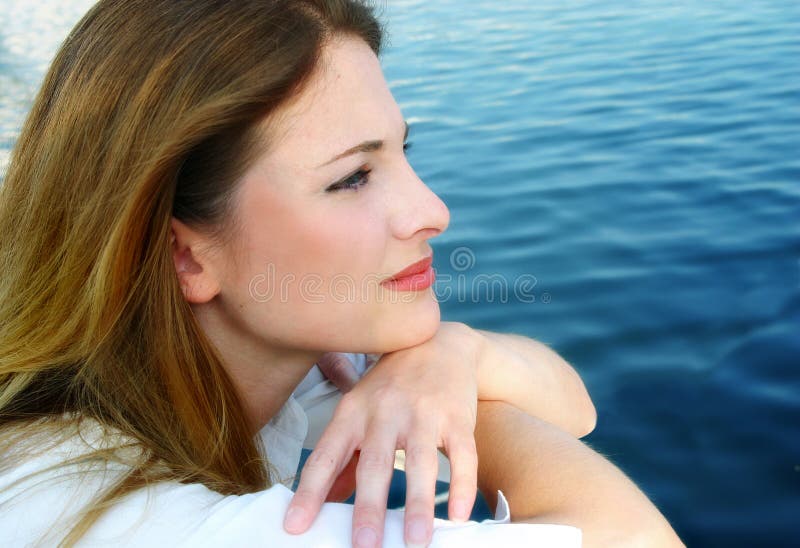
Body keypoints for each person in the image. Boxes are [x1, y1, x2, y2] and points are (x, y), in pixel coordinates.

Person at [0, 0, 683, 546]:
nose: (433, 211)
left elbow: (574, 406)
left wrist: (456, 354)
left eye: (401, 152)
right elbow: (633, 537)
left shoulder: (266, 374)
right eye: (354, 177)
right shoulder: (120, 521)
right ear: (186, 254)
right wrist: (448, 378)